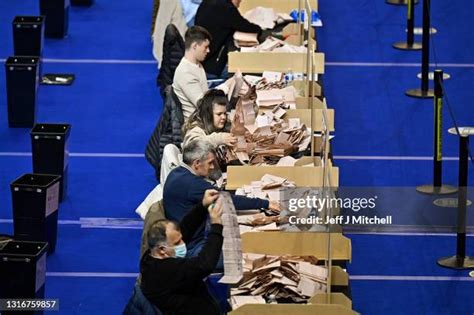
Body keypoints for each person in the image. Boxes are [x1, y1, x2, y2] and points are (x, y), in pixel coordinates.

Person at [163, 140, 280, 258]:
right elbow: (227, 200)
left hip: (191, 235)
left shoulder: (177, 173)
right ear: (197, 163)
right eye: (210, 163)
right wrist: (266, 203)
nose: (213, 167)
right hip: (196, 247)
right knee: (258, 248)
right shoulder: (191, 184)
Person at [141, 189, 223, 315]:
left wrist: (202, 206)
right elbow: (204, 265)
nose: (183, 244)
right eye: (177, 243)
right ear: (162, 250)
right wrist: (216, 227)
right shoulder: (165, 271)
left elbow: (185, 229)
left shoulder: (151, 256)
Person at [195, 0, 262, 78]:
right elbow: (246, 26)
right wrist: (260, 29)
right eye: (239, 1)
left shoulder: (208, 2)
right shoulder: (226, 8)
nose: (239, 5)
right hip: (213, 66)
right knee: (246, 70)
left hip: (201, 60)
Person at [172, 25, 212, 121]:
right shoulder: (185, 73)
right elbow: (203, 106)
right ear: (194, 46)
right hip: (197, 125)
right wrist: (226, 87)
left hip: (203, 118)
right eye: (205, 47)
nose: (208, 50)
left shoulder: (196, 65)